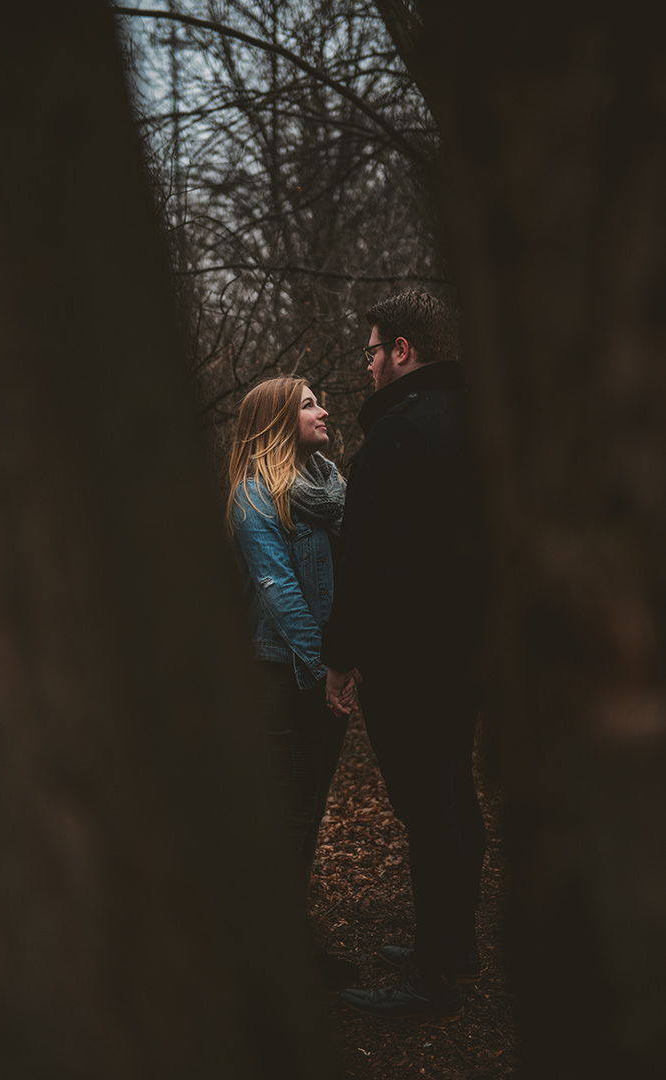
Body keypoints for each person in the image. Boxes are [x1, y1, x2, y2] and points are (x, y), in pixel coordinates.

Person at [321, 291, 488, 1022]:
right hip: (468, 650)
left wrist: (341, 654)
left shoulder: (399, 434)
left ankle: (434, 978)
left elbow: (366, 560)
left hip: (411, 655)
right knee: (453, 794)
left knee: (429, 810)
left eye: (370, 349)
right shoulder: (483, 423)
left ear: (403, 351)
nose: (366, 366)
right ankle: (452, 947)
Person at [227, 375, 354, 985]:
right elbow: (281, 596)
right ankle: (268, 960)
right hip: (284, 678)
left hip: (329, 674)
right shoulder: (254, 496)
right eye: (308, 404)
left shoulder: (331, 488)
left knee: (305, 815)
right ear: (278, 420)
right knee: (288, 818)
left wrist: (348, 662)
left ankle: (287, 949)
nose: (323, 410)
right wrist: (328, 669)